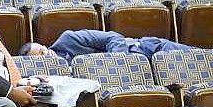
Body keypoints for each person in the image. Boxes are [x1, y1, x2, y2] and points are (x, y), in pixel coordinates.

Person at [20, 30, 195, 62]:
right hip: (135, 76)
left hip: (147, 49)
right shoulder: (59, 77)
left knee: (205, 59)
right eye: (41, 58)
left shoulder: (68, 39)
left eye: (43, 51)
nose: (46, 55)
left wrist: (117, 61)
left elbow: (113, 37)